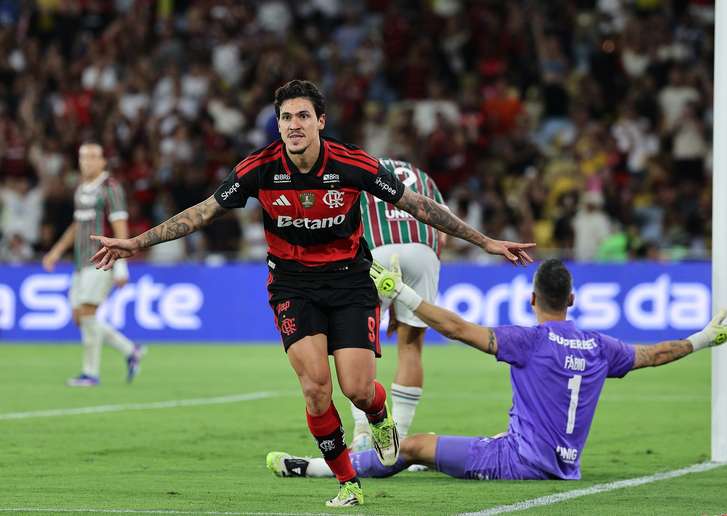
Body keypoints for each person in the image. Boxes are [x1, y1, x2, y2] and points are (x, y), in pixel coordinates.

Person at [89, 80, 535, 507]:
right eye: (286, 118)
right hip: (291, 286)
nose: (294, 125)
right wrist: (135, 242)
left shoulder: (351, 164)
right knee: (316, 390)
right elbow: (203, 212)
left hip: (350, 280)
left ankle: (379, 418)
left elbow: (418, 205)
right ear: (278, 125)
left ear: (321, 121)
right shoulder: (258, 168)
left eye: (303, 116)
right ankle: (348, 482)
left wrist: (486, 242)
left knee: (358, 389)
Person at [266, 258, 727, 482]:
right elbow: (655, 354)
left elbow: (456, 328)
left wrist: (403, 294)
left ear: (534, 299)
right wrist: (705, 337)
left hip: (518, 460)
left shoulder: (529, 340)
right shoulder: (601, 346)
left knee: (408, 448)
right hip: (564, 463)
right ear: (572, 300)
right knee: (441, 455)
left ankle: (308, 468)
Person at [351, 159, 446, 453]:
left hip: (375, 250)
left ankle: (364, 432)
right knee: (411, 347)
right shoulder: (423, 176)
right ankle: (398, 440)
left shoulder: (356, 167)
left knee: (354, 343)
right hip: (423, 251)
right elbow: (442, 227)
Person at [42, 142, 143, 387]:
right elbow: (77, 225)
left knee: (88, 314)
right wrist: (55, 252)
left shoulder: (110, 188)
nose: (86, 161)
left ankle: (90, 374)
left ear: (103, 161)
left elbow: (120, 225)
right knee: (80, 316)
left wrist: (121, 265)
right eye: (83, 157)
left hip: (102, 260)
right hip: (80, 262)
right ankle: (130, 350)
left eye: (92, 157)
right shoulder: (81, 189)